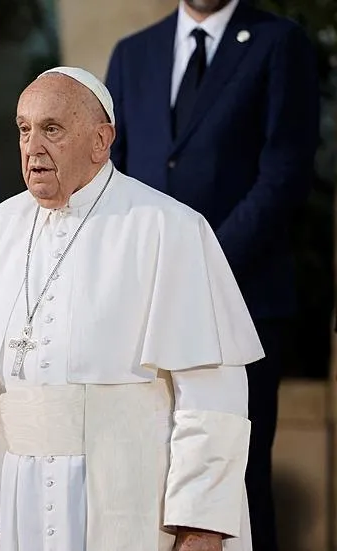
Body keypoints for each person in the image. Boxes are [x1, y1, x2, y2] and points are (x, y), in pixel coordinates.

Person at [0, 67, 263, 551]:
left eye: (52, 129)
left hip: (136, 502)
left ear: (100, 139)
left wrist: (200, 525)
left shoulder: (168, 228)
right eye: (24, 129)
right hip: (24, 506)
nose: (32, 146)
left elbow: (212, 401)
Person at [103, 2, 320, 548]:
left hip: (241, 303)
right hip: (141, 308)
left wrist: (201, 267)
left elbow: (284, 174)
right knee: (149, 476)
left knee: (235, 479)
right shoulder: (133, 54)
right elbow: (108, 175)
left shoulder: (279, 42)